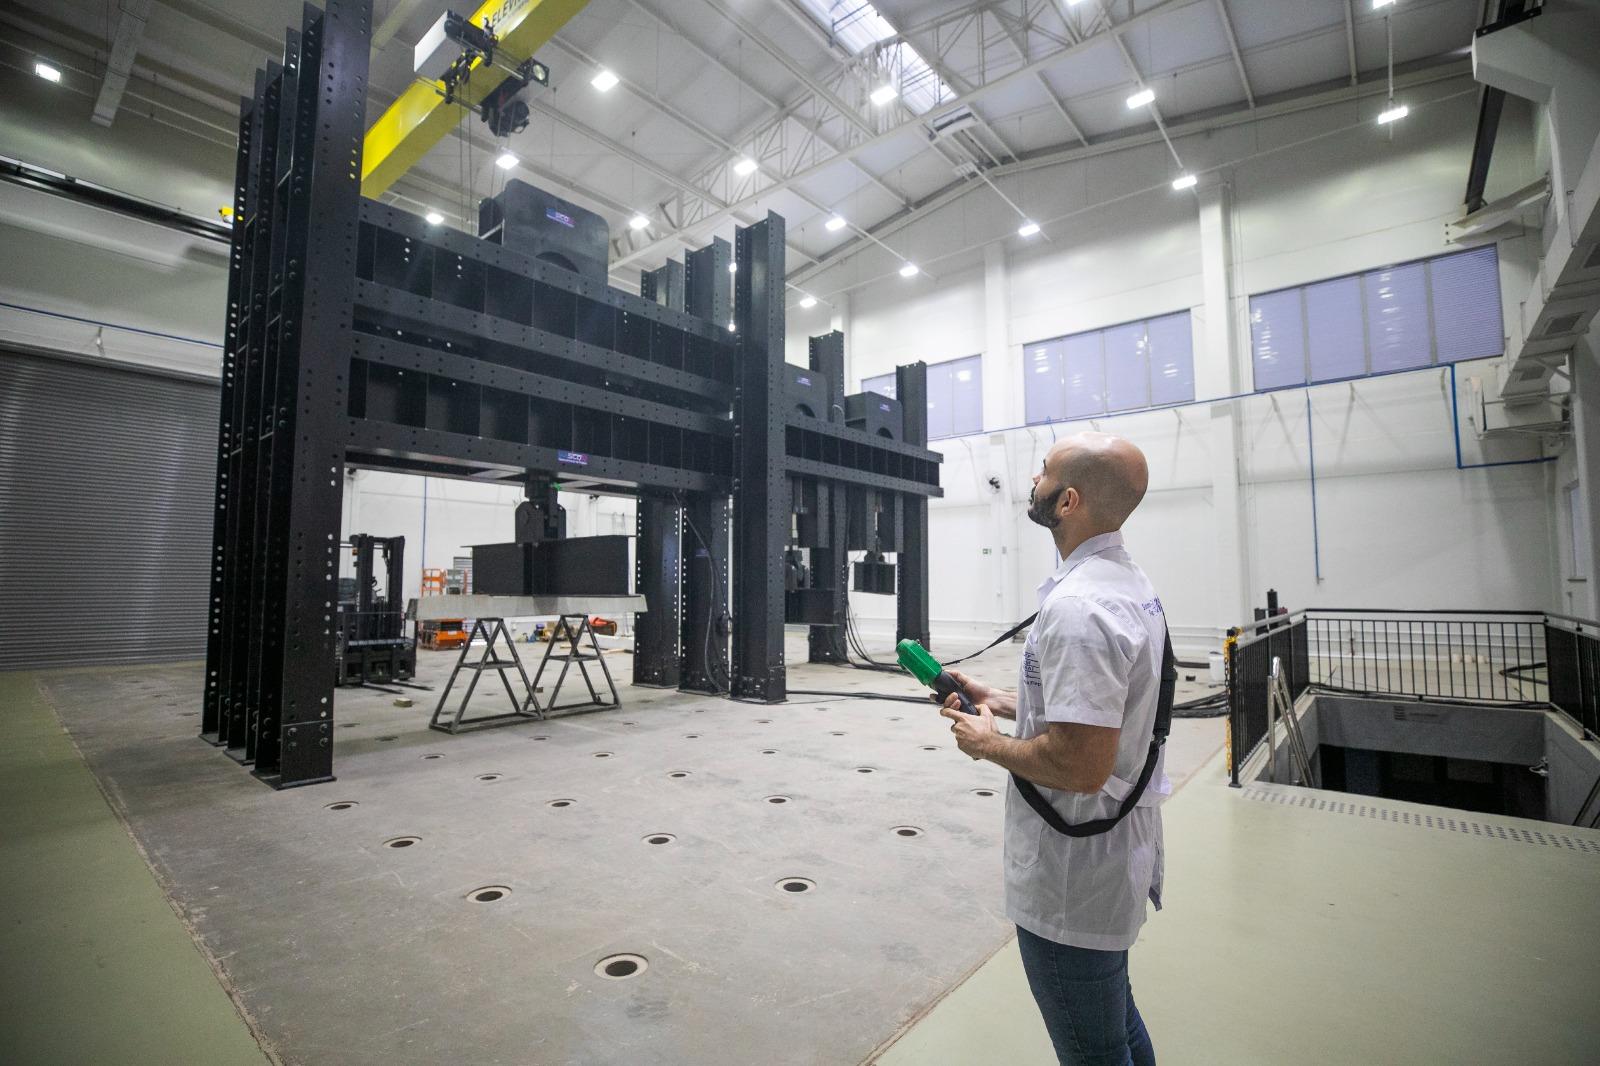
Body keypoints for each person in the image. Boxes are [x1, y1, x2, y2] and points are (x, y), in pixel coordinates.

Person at [935, 430, 1167, 1066]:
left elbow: (1081, 765)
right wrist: (1002, 699)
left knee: (1093, 1050)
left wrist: (988, 744)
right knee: (1113, 1028)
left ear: (1067, 501)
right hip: (1106, 860)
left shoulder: (1079, 609)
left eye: (1041, 474)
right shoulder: (1124, 582)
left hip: (1075, 871)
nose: (1030, 483)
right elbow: (1099, 712)